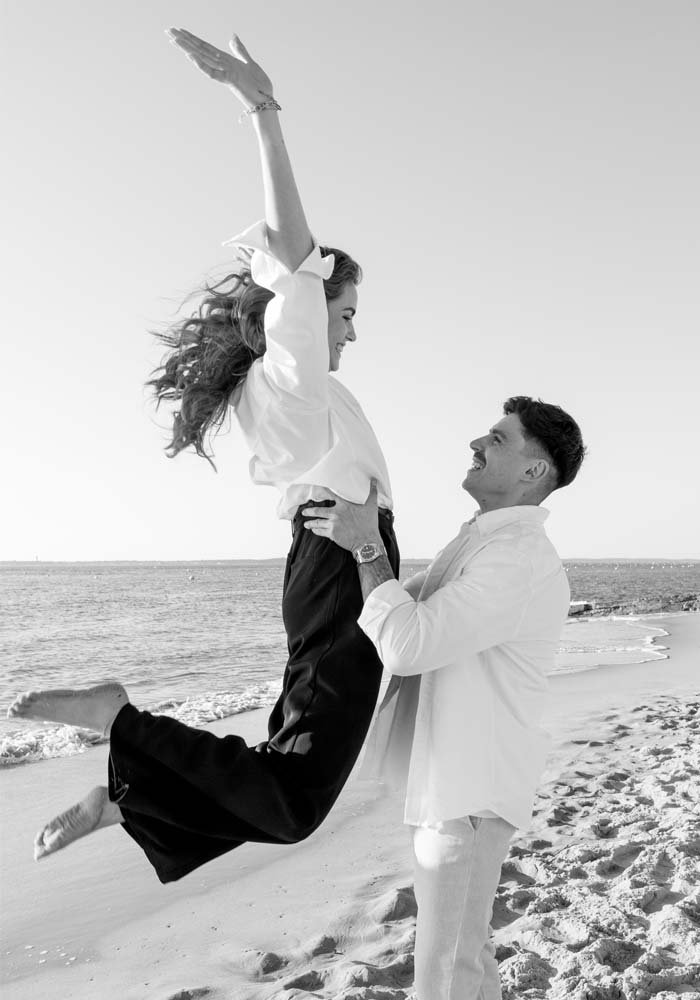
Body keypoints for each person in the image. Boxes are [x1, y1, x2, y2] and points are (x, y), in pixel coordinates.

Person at [7, 28, 398, 883]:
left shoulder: (296, 387)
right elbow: (295, 259)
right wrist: (264, 112)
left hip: (331, 560)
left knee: (289, 776)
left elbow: (297, 276)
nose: (350, 330)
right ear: (308, 310)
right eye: (345, 314)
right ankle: (121, 725)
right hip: (339, 559)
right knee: (294, 795)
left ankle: (129, 800)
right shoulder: (293, 375)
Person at [302, 396, 586, 1000]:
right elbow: (397, 610)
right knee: (465, 955)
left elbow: (407, 644)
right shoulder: (482, 542)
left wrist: (367, 545)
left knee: (445, 967)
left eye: (498, 438)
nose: (476, 444)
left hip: (471, 790)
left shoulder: (515, 557)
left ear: (535, 471)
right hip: (452, 785)